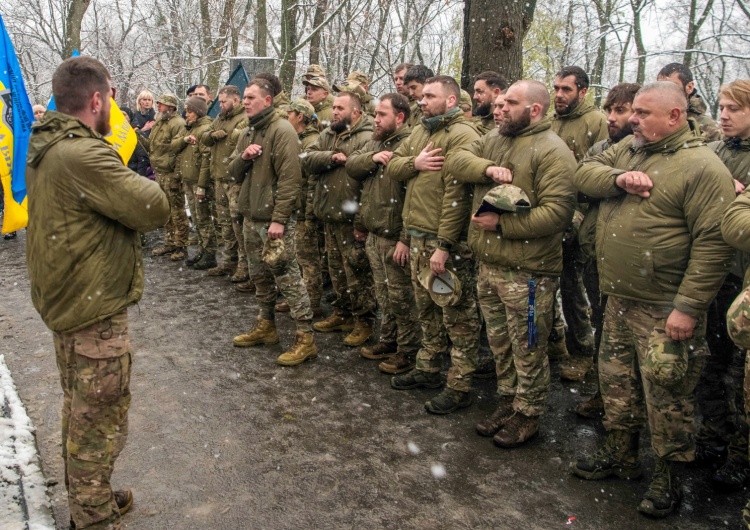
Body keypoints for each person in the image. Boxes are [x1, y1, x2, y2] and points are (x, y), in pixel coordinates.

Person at [569, 82, 735, 518]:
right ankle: (620, 451)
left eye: (643, 113)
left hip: (665, 308)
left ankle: (669, 474)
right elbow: (583, 174)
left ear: (675, 117)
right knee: (617, 383)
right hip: (620, 299)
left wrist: (688, 307)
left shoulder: (701, 167)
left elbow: (713, 246)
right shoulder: (629, 151)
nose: (632, 119)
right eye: (633, 112)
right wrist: (616, 178)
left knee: (668, 395)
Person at [26, 55, 169, 530]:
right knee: (98, 422)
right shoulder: (84, 154)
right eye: (110, 95)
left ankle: (92, 499)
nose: (114, 103)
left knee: (80, 409)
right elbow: (153, 207)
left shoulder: (48, 144)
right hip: (93, 309)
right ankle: (93, 518)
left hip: (71, 300)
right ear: (96, 99)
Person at [448, 80, 576, 446]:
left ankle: (530, 412)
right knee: (501, 342)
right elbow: (458, 161)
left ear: (534, 110)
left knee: (529, 345)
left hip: (529, 273)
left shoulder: (552, 151)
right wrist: (488, 168)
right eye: (500, 103)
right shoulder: (495, 138)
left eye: (511, 103)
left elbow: (557, 214)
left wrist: (503, 224)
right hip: (489, 266)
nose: (501, 109)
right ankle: (509, 401)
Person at [385, 75, 482, 414]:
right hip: (417, 236)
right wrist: (415, 163)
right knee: (426, 308)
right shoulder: (420, 131)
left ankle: (460, 384)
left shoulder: (463, 135)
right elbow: (394, 167)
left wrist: (445, 244)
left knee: (456, 315)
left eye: (429, 96)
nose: (421, 101)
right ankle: (428, 368)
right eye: (422, 95)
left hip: (444, 244)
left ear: (451, 101)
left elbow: (457, 195)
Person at [229, 80, 318, 366]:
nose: (245, 102)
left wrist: (279, 220)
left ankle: (306, 338)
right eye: (244, 97)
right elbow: (232, 171)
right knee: (259, 276)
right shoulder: (248, 131)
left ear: (267, 100)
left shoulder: (283, 131)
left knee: (288, 278)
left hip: (273, 222)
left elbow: (292, 180)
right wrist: (244, 156)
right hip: (251, 217)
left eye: (251, 97)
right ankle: (266, 325)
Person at [694, 79, 750, 489]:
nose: (725, 115)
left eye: (735, 109)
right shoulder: (712, 151)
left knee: (737, 370)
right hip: (709, 268)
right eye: (722, 107)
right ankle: (712, 436)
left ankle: (740, 453)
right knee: (710, 361)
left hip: (740, 275)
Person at [574, 82, 641, 419]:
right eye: (609, 110)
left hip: (631, 262)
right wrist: (617, 180)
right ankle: (605, 393)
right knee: (603, 326)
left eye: (621, 111)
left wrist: (610, 182)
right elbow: (583, 179)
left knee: (629, 337)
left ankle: (627, 406)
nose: (612, 118)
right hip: (595, 250)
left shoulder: (645, 150)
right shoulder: (604, 147)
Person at [346, 93, 421, 374]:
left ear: (400, 117)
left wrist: (405, 238)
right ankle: (388, 341)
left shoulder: (409, 144)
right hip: (374, 232)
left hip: (395, 235)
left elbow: (413, 200)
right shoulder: (375, 141)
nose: (375, 119)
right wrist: (373, 157)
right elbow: (352, 167)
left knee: (402, 298)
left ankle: (408, 350)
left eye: (381, 115)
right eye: (375, 114)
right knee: (384, 294)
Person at [549, 65, 609, 382]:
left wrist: (580, 213)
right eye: (556, 88)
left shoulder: (596, 121)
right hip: (551, 214)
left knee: (574, 288)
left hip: (580, 217)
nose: (559, 94)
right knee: (546, 285)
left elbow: (599, 172)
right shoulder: (550, 120)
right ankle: (555, 341)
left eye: (566, 89)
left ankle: (582, 351)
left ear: (582, 92)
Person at [305, 91, 376, 347]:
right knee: (336, 270)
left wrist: (360, 220)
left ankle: (364, 322)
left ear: (355, 113)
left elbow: (368, 183)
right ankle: (343, 313)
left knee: (356, 272)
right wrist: (330, 157)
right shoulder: (328, 134)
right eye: (333, 107)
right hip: (329, 214)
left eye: (340, 108)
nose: (334, 112)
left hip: (351, 218)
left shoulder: (367, 137)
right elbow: (307, 159)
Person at [276, 99, 324, 317]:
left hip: (305, 207)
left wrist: (310, 210)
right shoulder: (296, 138)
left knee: (308, 259)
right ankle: (300, 297)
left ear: (300, 117)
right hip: (297, 205)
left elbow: (311, 179)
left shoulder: (311, 140)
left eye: (290, 113)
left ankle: (312, 302)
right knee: (297, 256)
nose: (287, 117)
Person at [200, 85, 250, 281]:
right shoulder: (219, 118)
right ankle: (228, 262)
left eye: (224, 102)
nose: (220, 105)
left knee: (238, 225)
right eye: (219, 102)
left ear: (235, 101)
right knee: (224, 224)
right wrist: (212, 135)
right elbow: (205, 137)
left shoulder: (243, 118)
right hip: (219, 178)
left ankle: (243, 266)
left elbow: (240, 140)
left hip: (235, 180)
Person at [136, 93, 188, 260]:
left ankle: (181, 246)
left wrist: (177, 176)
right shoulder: (158, 123)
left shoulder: (178, 124)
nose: (158, 106)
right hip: (160, 173)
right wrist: (137, 136)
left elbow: (181, 153)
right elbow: (151, 146)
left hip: (172, 173)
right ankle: (169, 242)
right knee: (166, 211)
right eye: (158, 103)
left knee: (178, 212)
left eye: (162, 104)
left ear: (171, 108)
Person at [175, 96, 216, 269]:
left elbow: (207, 160)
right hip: (189, 180)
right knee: (197, 219)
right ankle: (202, 249)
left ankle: (209, 253)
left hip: (199, 182)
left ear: (198, 113)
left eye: (190, 111)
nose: (187, 114)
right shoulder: (189, 129)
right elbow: (173, 146)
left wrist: (202, 185)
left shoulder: (204, 129)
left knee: (204, 218)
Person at [657, 63, 721, 142]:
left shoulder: (707, 127)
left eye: (672, 86)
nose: (664, 91)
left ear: (689, 87)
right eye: (659, 86)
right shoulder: (650, 120)